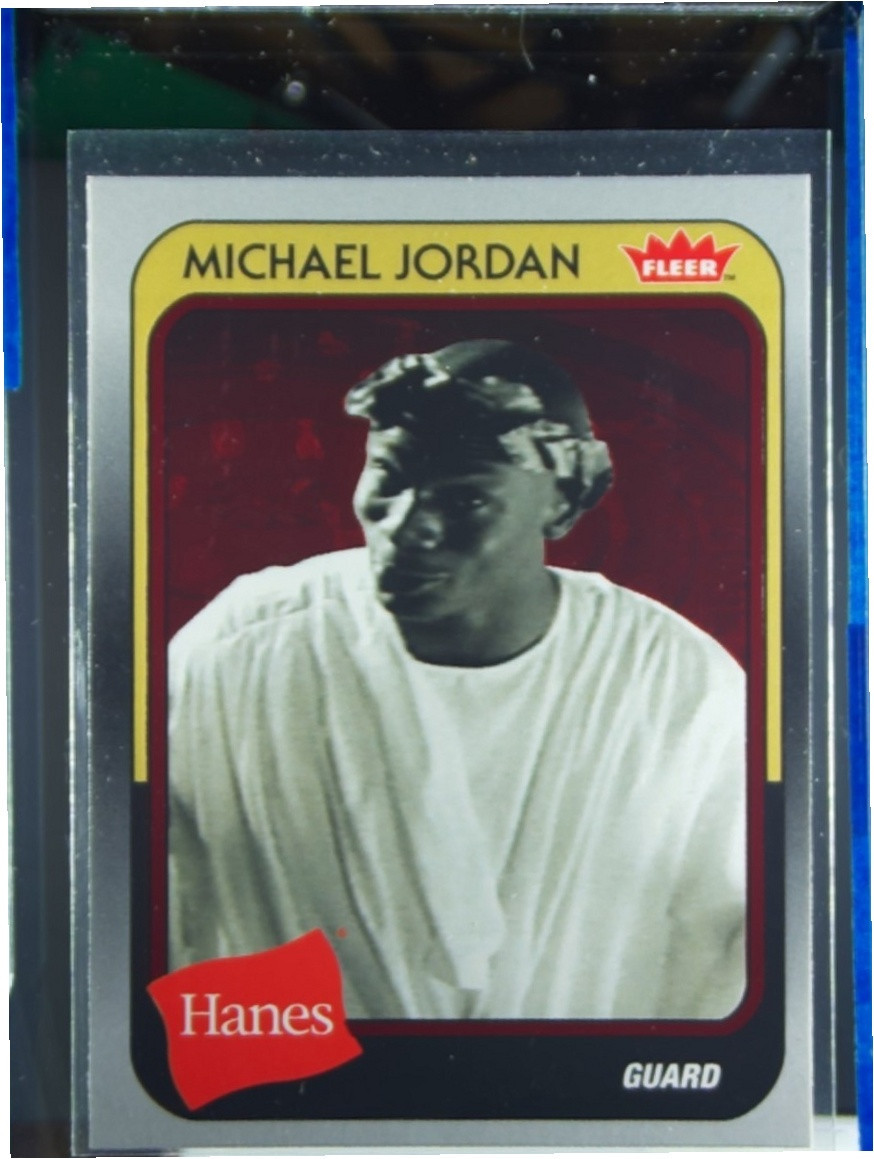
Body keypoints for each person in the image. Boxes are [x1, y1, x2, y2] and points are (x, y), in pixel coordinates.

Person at [168, 339, 746, 1020]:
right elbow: (158, 898)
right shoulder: (239, 649)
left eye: (467, 498)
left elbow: (723, 952)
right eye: (388, 477)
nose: (407, 526)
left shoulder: (678, 683)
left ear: (560, 505)